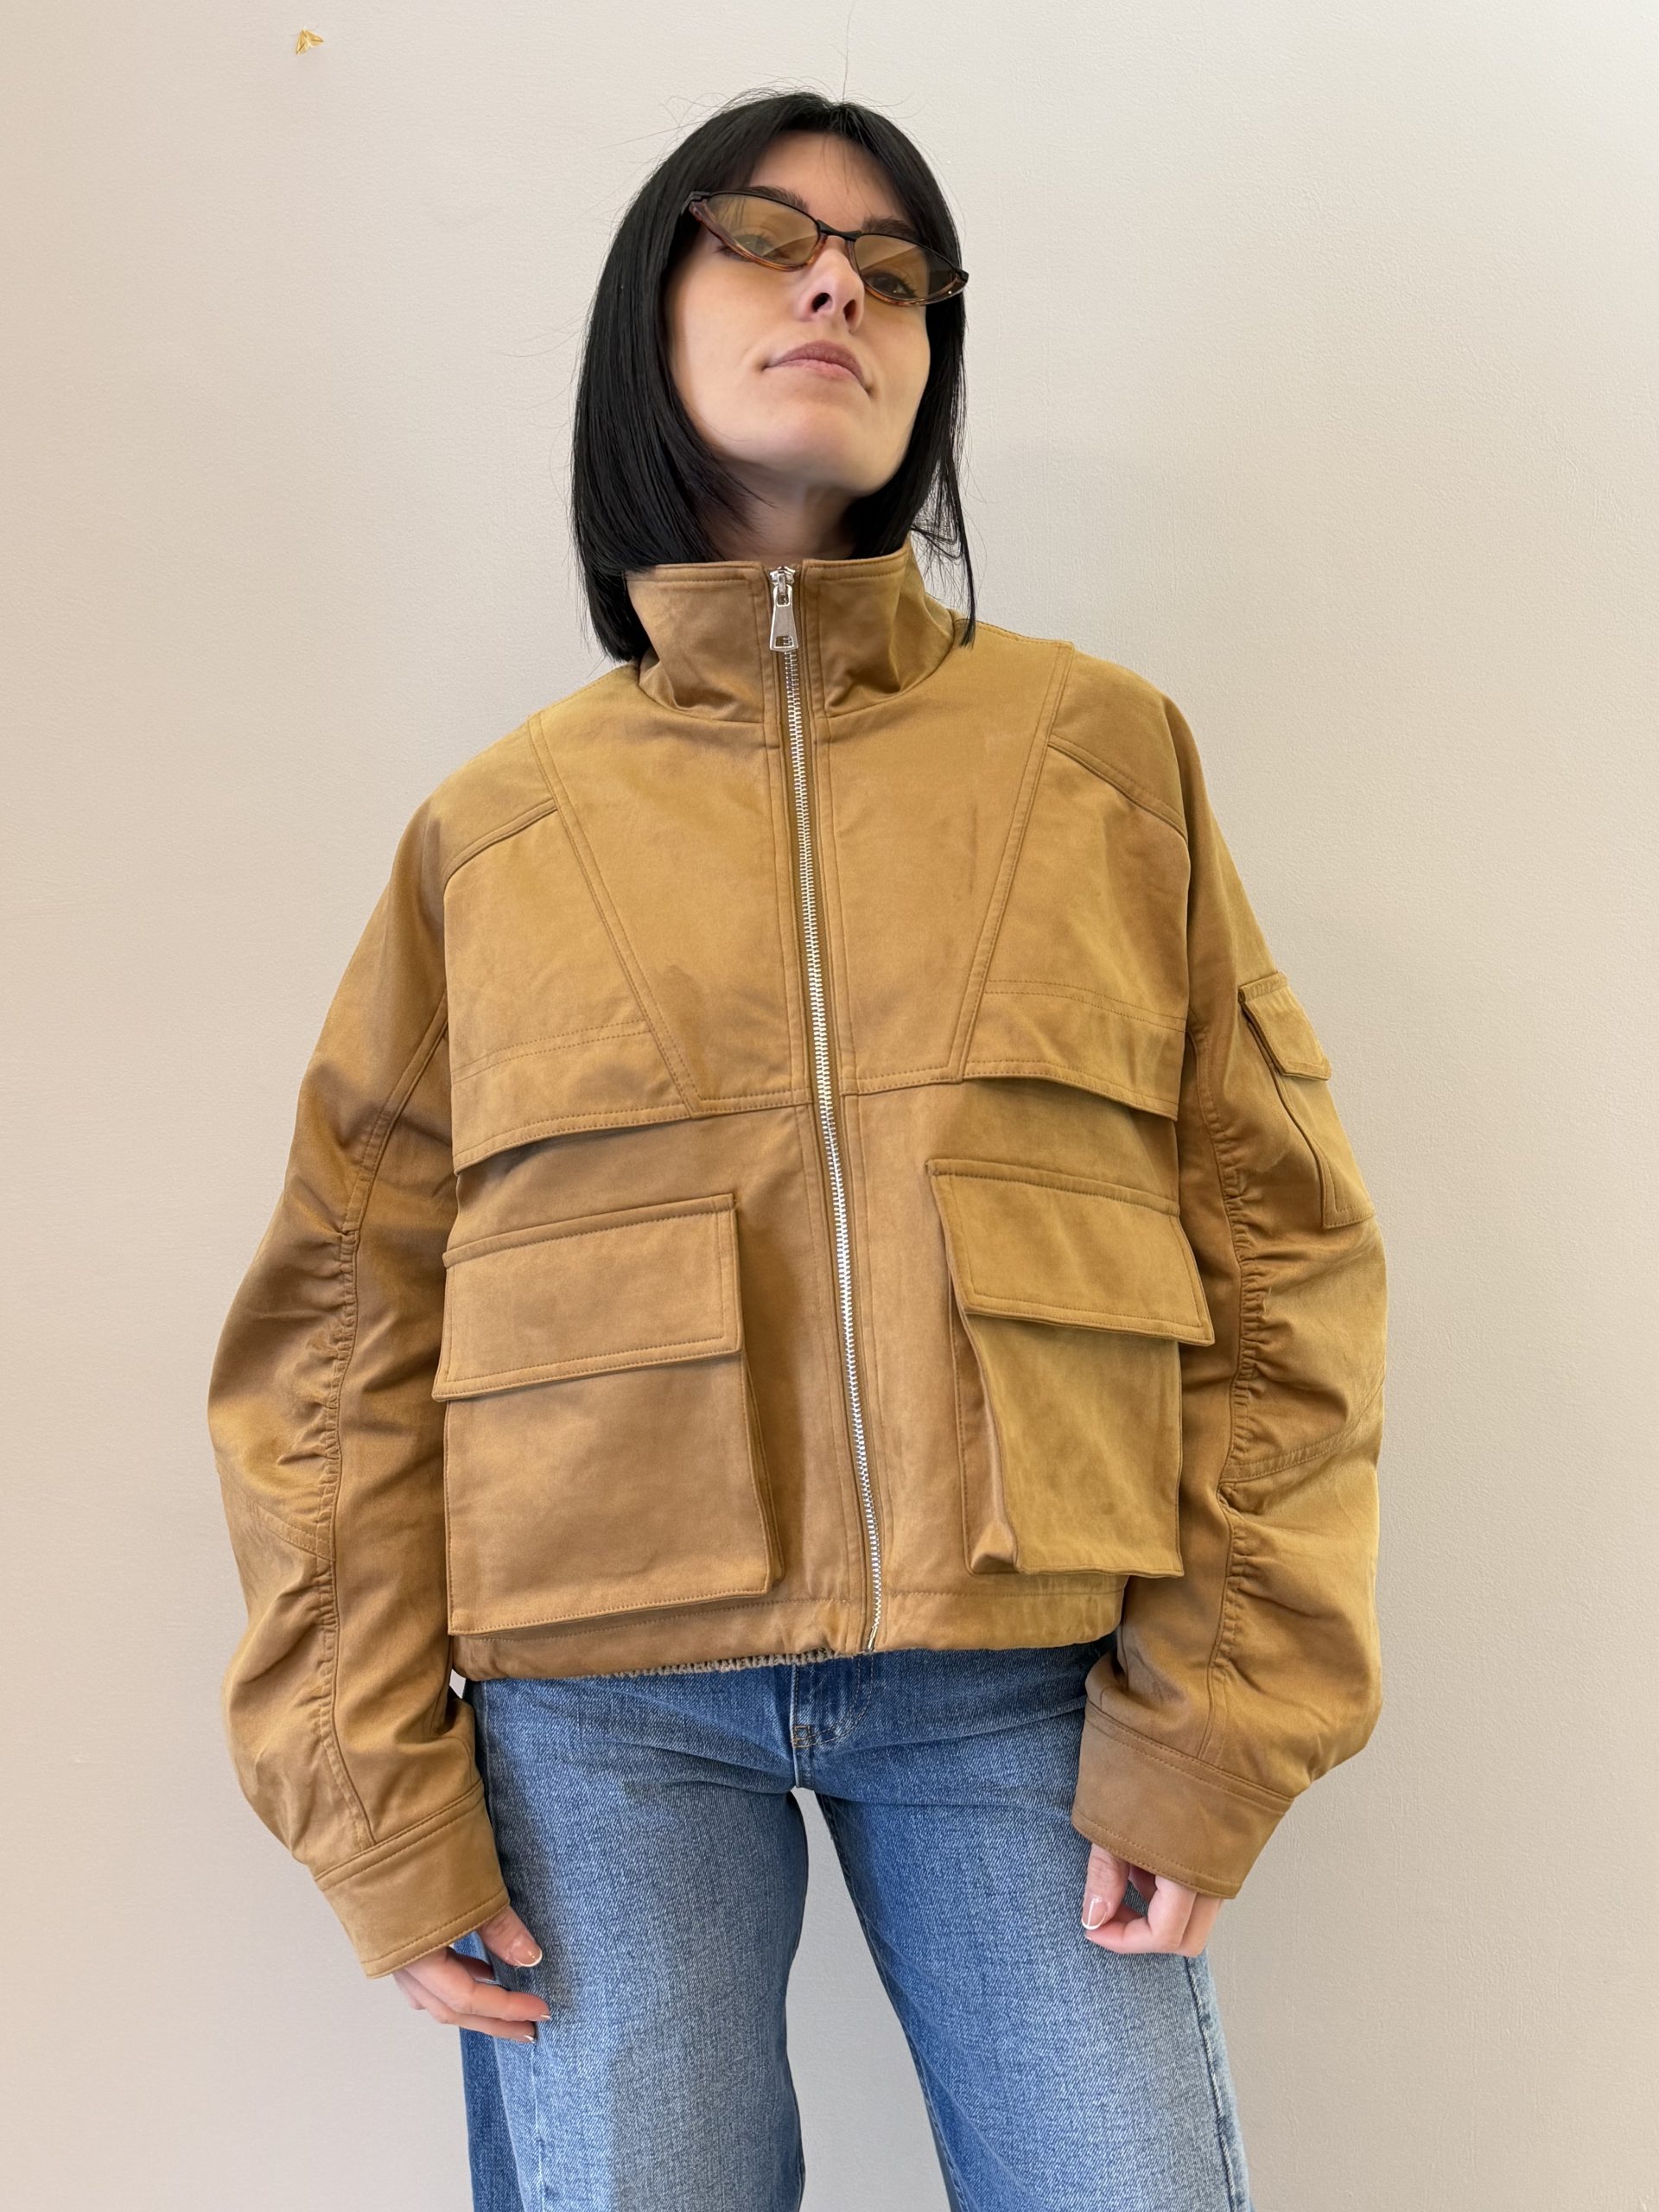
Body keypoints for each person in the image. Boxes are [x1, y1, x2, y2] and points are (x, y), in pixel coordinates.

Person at [208, 86, 1388, 2212]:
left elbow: (1274, 1246)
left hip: (1027, 1679)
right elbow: (339, 1331)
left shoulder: (1099, 759)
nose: (840, 283)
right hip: (598, 1711)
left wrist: (1219, 1708)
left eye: (897, 268)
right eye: (768, 234)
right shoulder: (499, 831)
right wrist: (372, 1790)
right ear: (648, 311)